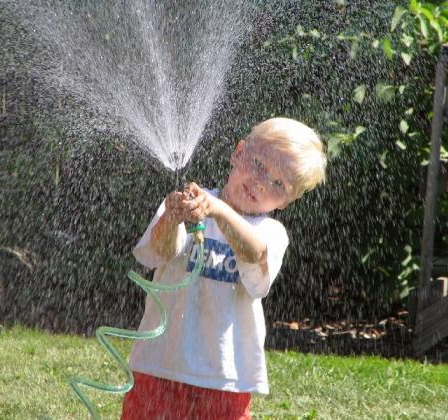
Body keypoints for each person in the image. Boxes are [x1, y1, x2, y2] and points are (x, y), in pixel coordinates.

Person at [120, 117, 327, 419]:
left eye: (279, 184)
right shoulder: (193, 203)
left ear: (288, 201)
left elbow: (254, 252)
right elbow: (161, 251)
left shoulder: (269, 232)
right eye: (259, 164)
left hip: (224, 378)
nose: (261, 182)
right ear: (239, 152)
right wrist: (172, 217)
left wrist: (218, 211)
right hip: (160, 364)